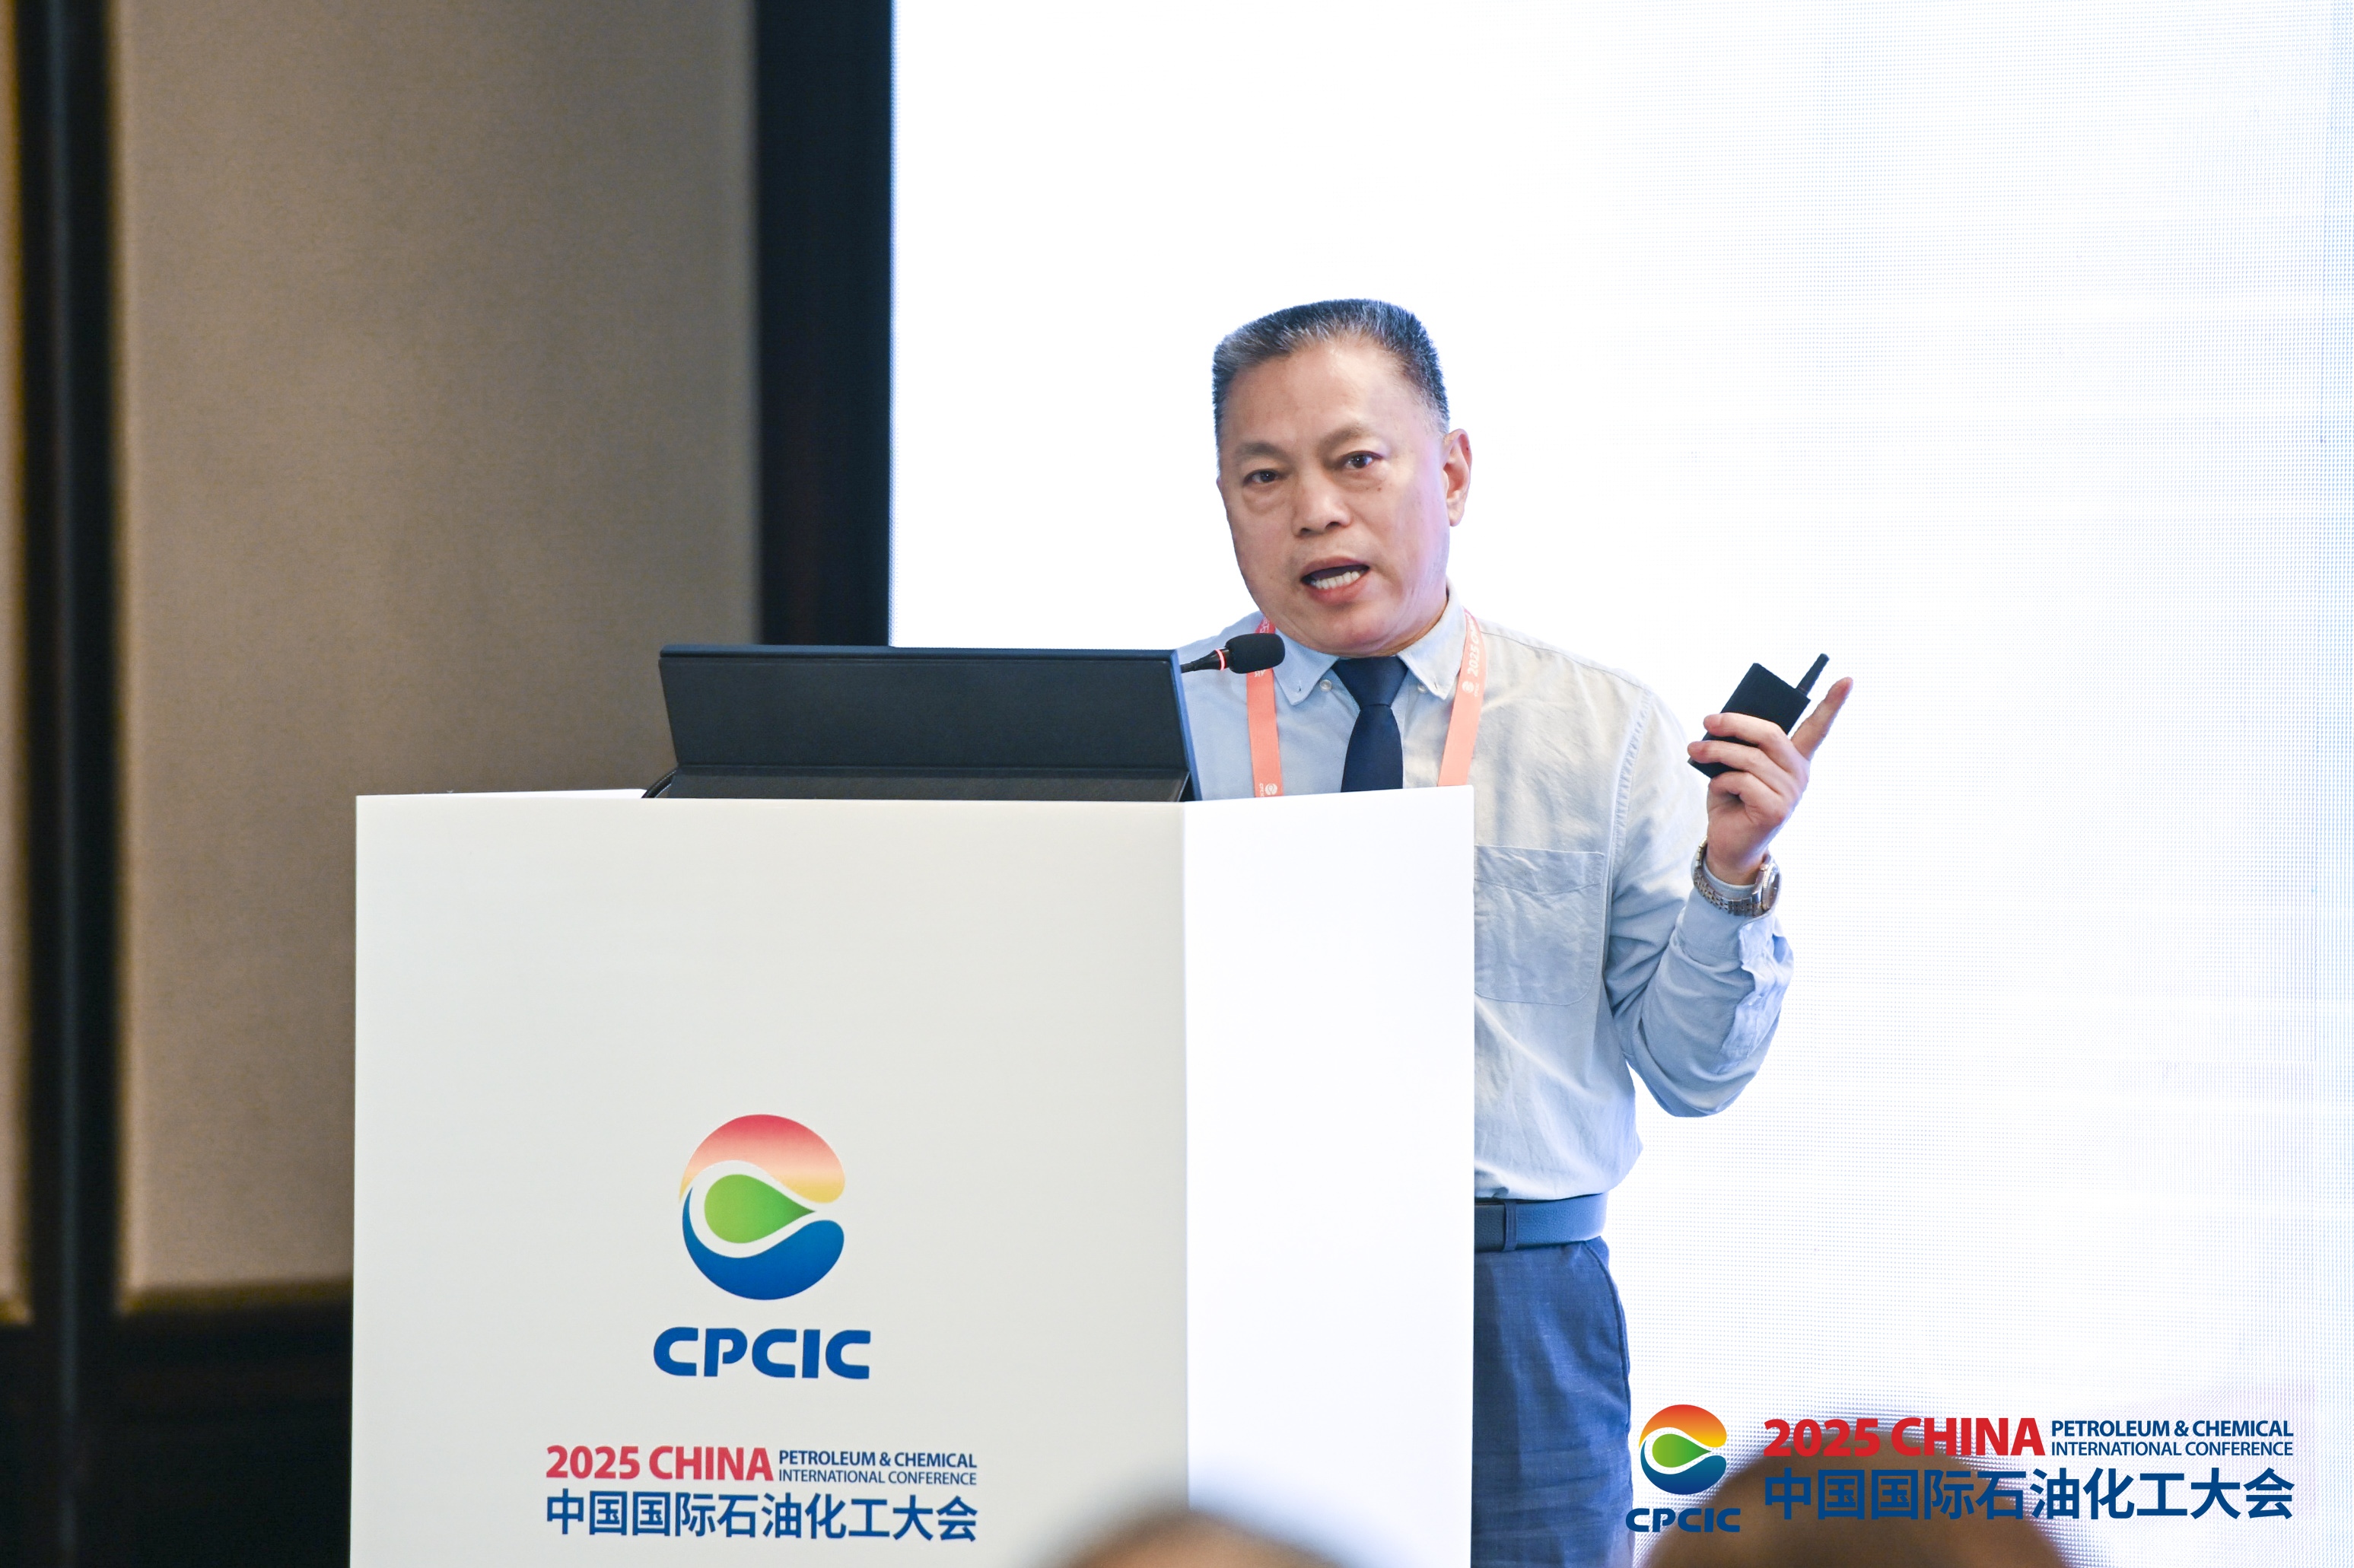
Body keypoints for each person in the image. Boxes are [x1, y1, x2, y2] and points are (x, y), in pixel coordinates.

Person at [1176, 300, 1852, 1568]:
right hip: (1237, 1287)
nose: (1313, 510)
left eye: (1354, 460)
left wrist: (1731, 873)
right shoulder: (1165, 719)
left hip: (1514, 1298)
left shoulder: (1599, 730)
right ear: (1224, 501)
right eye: (1263, 477)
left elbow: (1694, 1072)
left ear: (1450, 472)